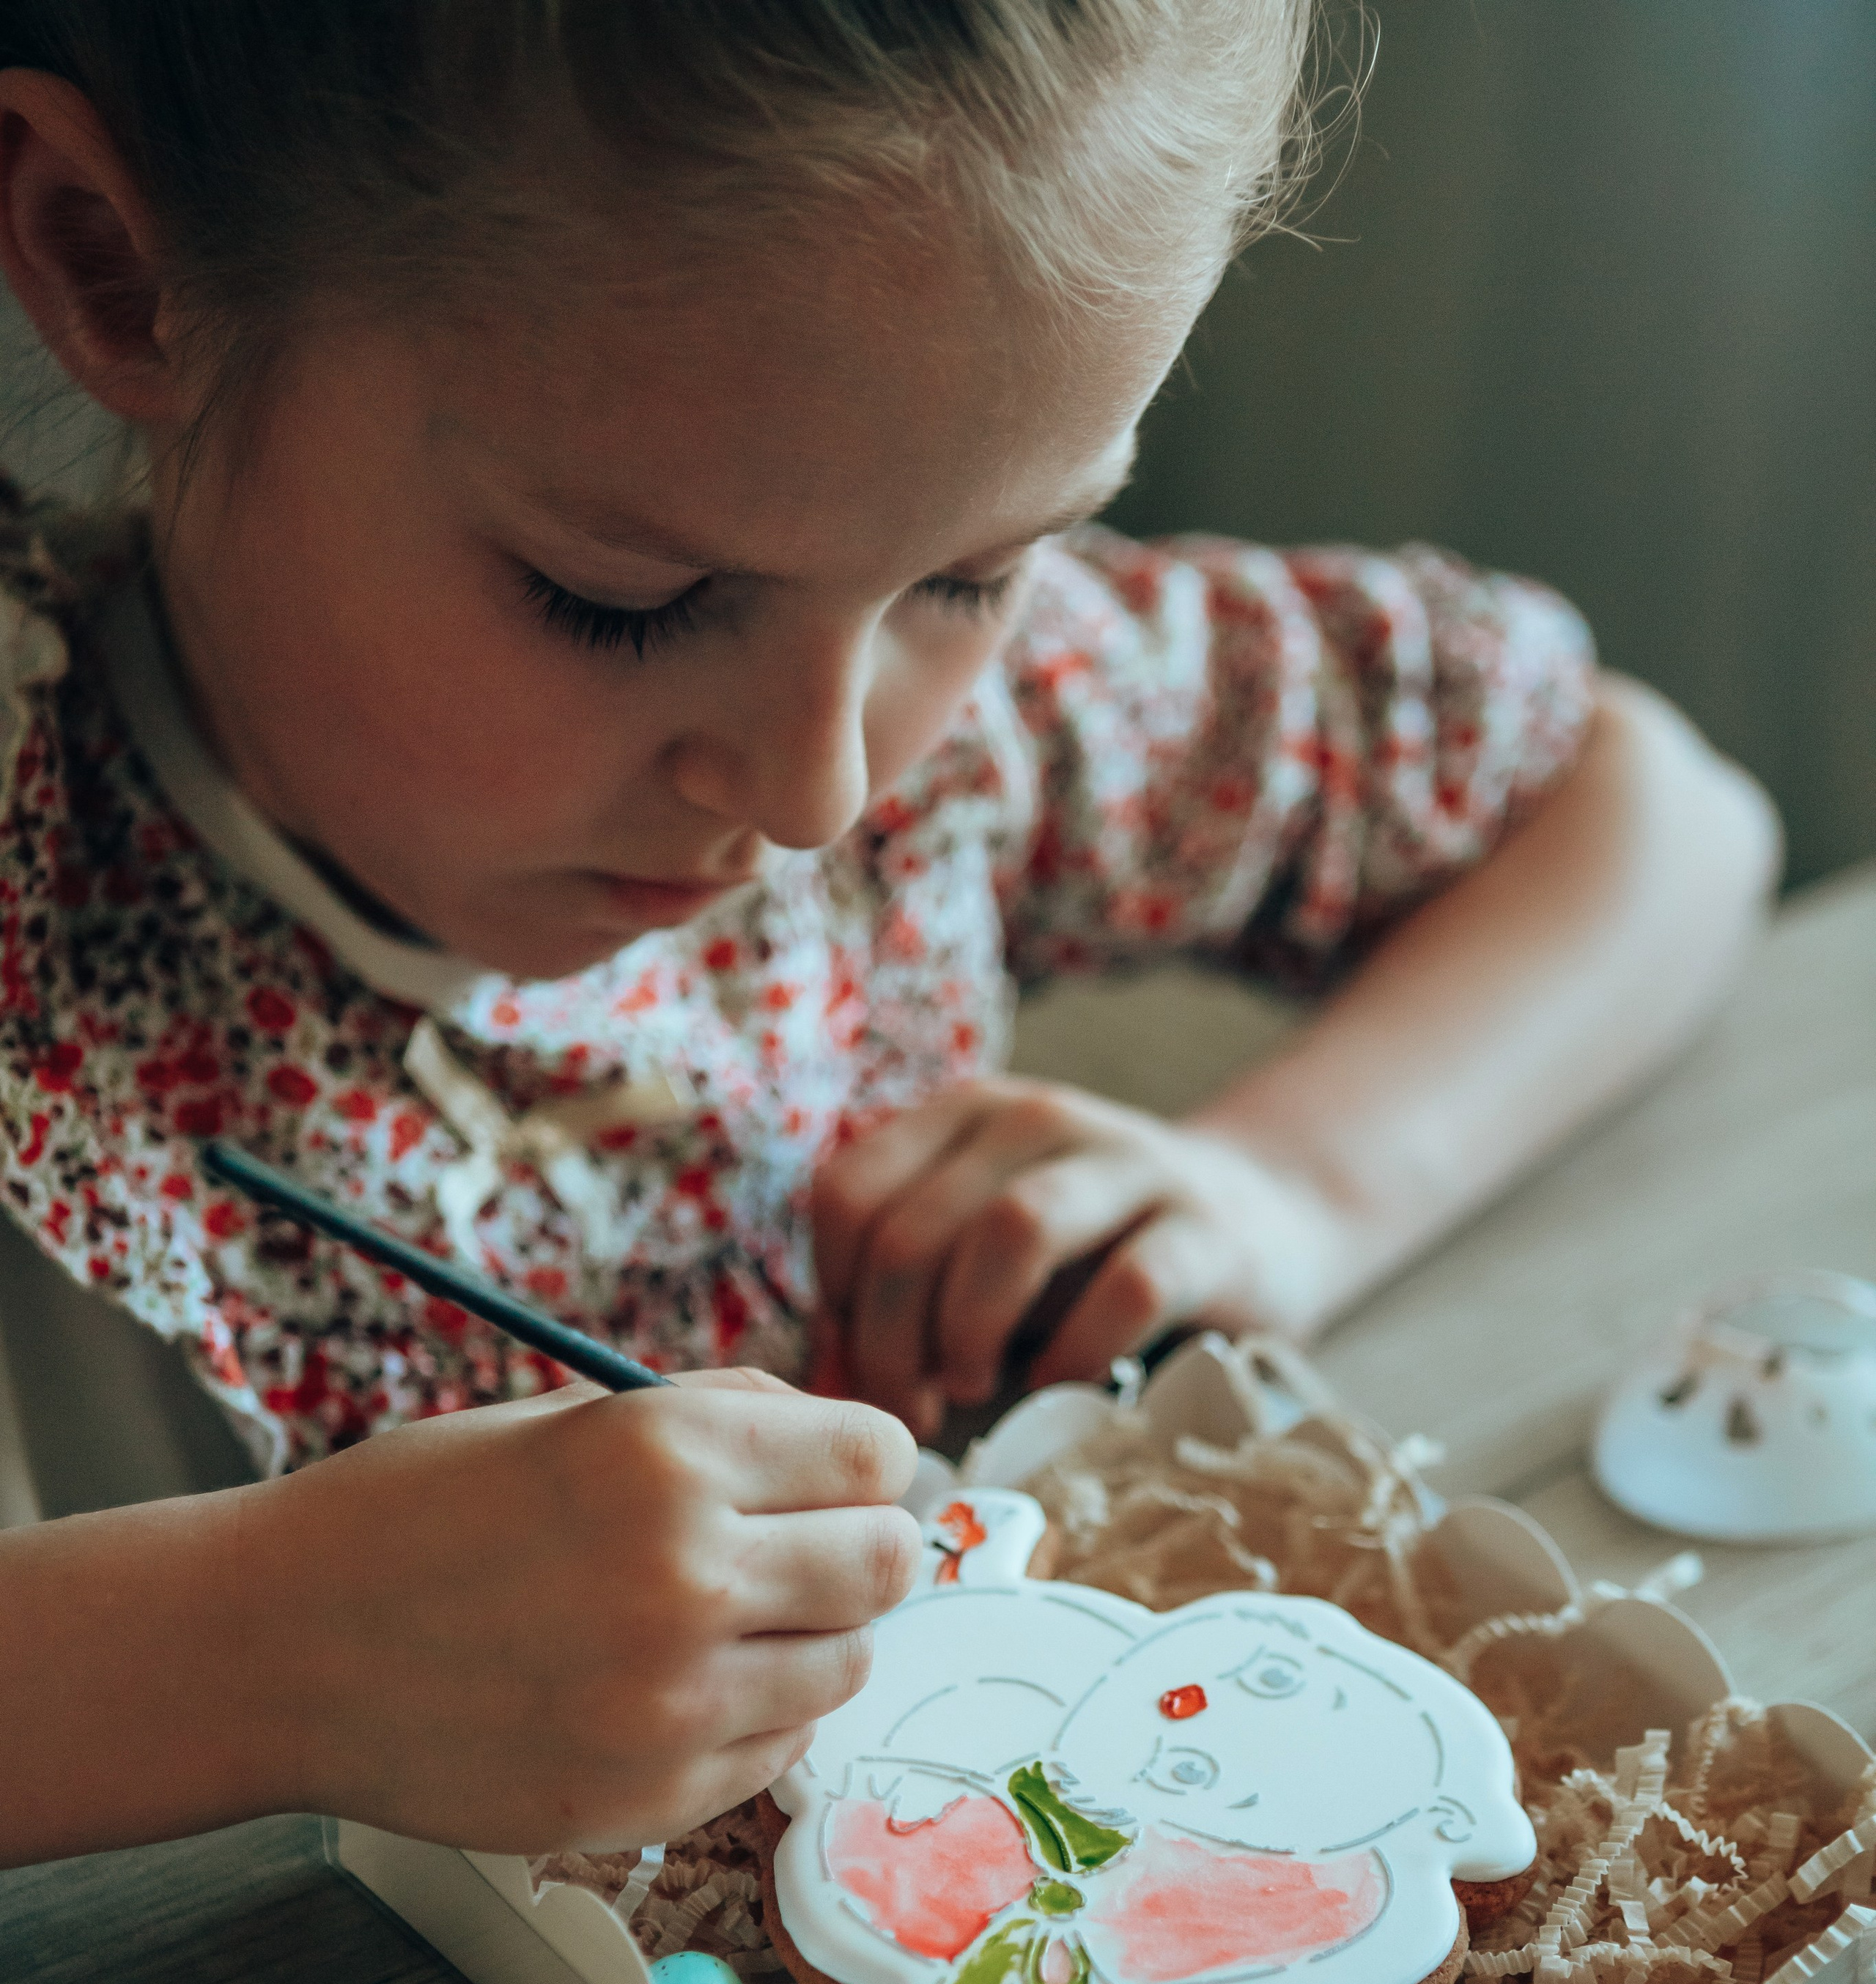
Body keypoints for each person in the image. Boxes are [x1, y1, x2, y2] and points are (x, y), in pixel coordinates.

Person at [0, 2, 1777, 1871]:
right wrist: (267, 1655)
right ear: (119, 272)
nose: (815, 791)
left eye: (974, 573)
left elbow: (1653, 807)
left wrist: (1289, 1191)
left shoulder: (978, 728)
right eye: (627, 597)